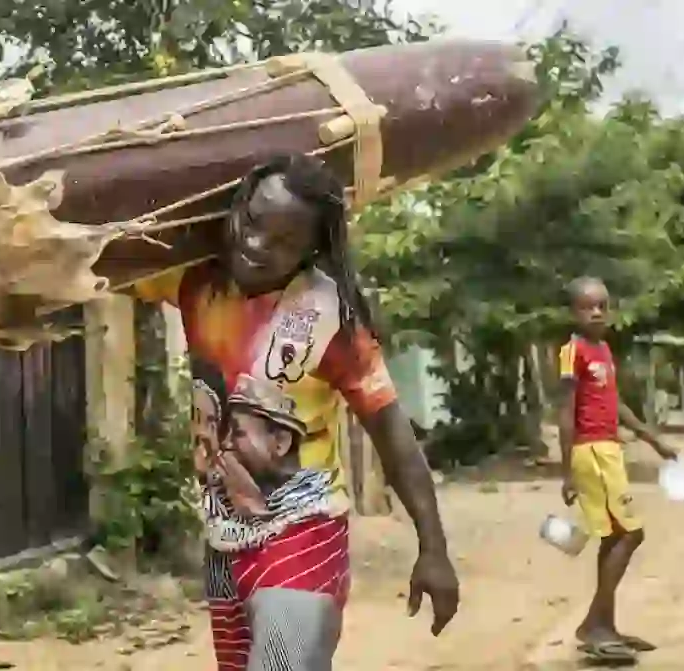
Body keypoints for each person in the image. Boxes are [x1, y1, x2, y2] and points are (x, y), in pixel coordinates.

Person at [132, 154, 459, 670]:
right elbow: (99, 267)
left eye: (284, 242)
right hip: (222, 542)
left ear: (312, 249)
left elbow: (394, 438)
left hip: (303, 535)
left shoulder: (331, 318)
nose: (257, 246)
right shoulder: (195, 282)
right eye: (252, 223)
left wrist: (433, 549)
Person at [557, 276, 677, 662]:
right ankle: (595, 623)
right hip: (590, 453)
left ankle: (604, 623)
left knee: (613, 538)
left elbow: (615, 402)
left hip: (609, 451)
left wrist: (651, 438)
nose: (596, 312)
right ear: (573, 312)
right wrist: (566, 472)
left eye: (602, 305)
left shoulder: (603, 349)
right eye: (587, 306)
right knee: (630, 534)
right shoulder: (571, 351)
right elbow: (564, 412)